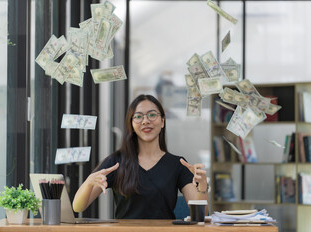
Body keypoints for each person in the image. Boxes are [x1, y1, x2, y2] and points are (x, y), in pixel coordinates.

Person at [72, 94, 209, 219]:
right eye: (138, 116)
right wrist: (89, 181)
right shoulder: (116, 162)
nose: (145, 121)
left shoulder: (177, 164)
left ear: (162, 121)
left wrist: (202, 185)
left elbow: (200, 214)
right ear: (131, 124)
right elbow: (78, 207)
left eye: (152, 115)